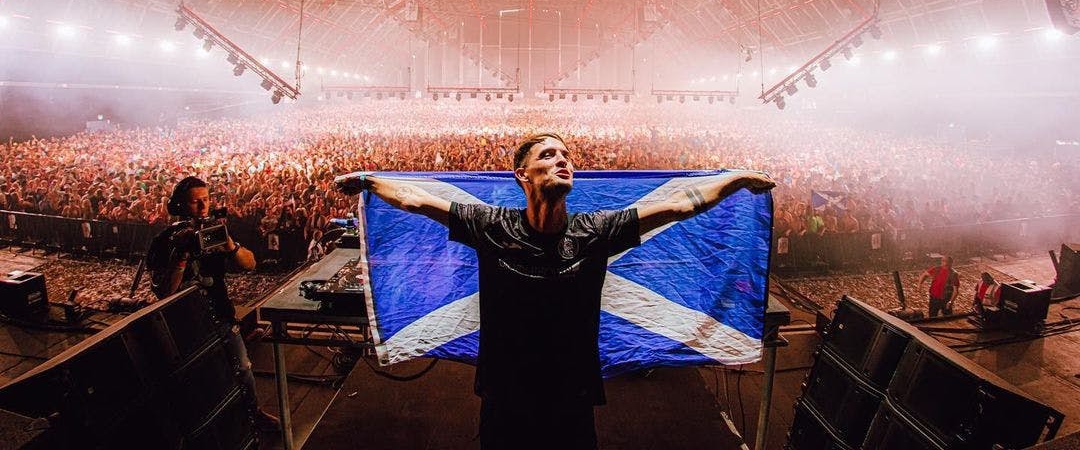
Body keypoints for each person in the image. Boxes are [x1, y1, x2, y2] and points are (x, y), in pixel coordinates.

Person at [336, 132, 774, 450]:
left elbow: (679, 206)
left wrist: (735, 179)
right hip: (506, 394)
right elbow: (414, 200)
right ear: (522, 175)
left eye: (566, 155)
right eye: (548, 154)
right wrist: (370, 181)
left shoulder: (596, 230)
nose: (563, 160)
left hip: (571, 394)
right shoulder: (491, 226)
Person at [149, 176, 279, 432]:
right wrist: (182, 255)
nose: (203, 206)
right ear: (179, 206)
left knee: (243, 368)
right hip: (185, 322)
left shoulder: (214, 233)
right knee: (199, 376)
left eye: (206, 200)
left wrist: (230, 245)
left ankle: (253, 413)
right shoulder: (166, 240)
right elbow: (164, 291)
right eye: (195, 202)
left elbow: (250, 264)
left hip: (220, 314)